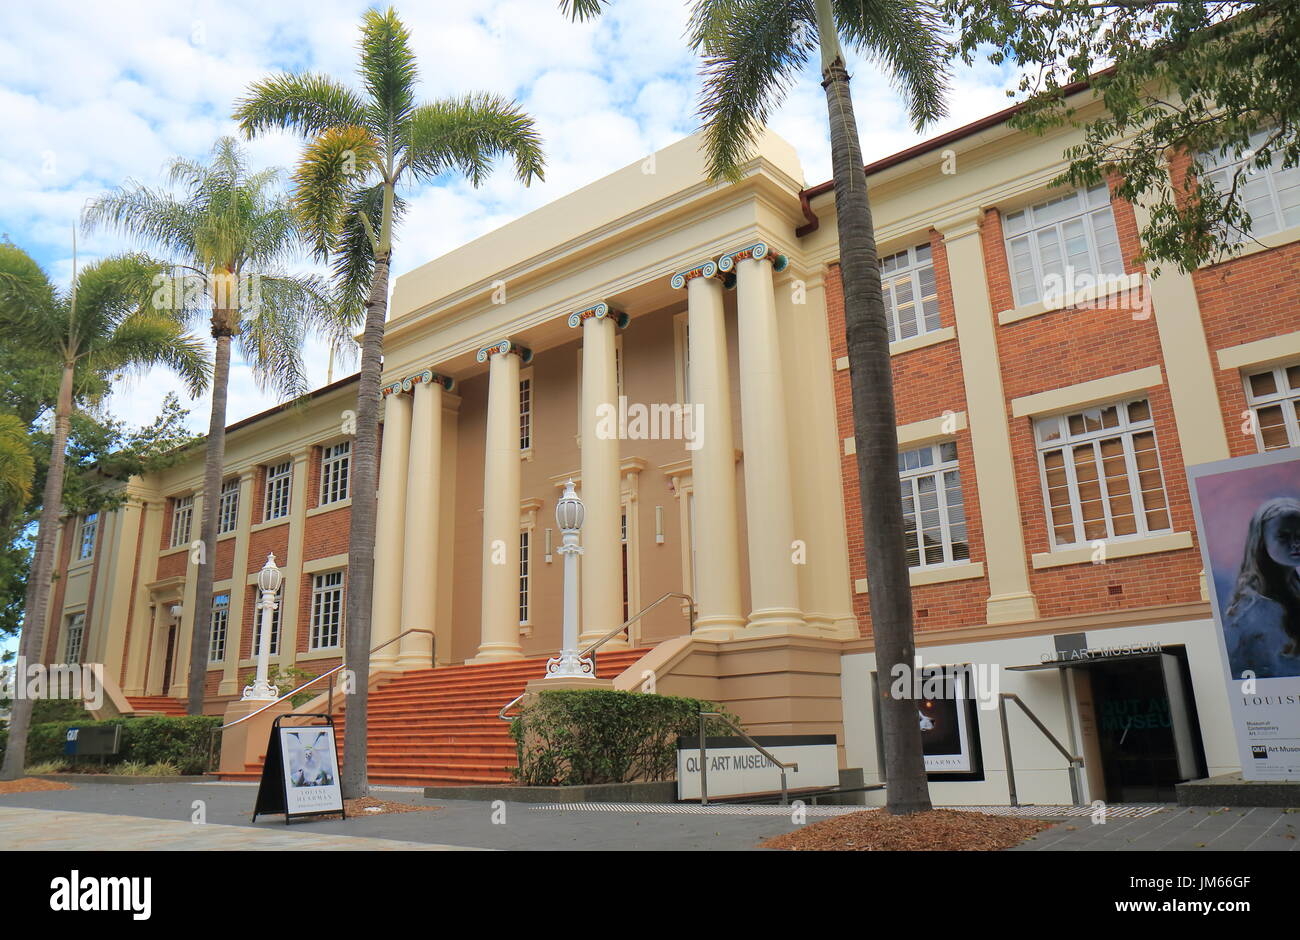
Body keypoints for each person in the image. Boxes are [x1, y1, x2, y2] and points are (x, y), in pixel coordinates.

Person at [1224, 497, 1300, 679]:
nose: (1296, 543)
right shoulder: (1256, 608)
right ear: (1261, 542)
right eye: (1283, 536)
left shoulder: (1293, 587)